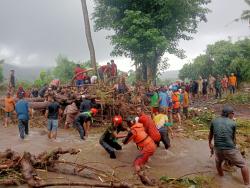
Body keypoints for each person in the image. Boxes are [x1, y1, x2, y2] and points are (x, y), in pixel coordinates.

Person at [208, 106, 249, 185]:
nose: (233, 115)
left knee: (218, 163)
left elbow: (210, 134)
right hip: (229, 148)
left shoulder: (214, 121)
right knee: (243, 165)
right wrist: (234, 149)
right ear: (229, 114)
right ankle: (247, 184)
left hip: (218, 148)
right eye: (232, 113)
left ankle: (220, 179)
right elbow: (233, 139)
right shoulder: (233, 123)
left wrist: (210, 143)